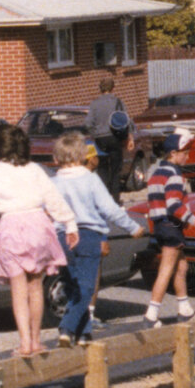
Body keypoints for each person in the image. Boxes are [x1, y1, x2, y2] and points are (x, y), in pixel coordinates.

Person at [0, 124, 77, 356]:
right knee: (35, 288)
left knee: (18, 291)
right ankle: (37, 341)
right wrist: (70, 224)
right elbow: (53, 198)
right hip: (39, 225)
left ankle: (25, 343)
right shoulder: (35, 169)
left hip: (12, 229)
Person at [52, 131, 139, 347]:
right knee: (87, 287)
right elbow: (109, 208)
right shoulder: (90, 179)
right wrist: (132, 226)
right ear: (82, 155)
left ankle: (84, 334)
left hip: (62, 237)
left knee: (74, 284)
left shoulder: (52, 182)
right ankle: (67, 326)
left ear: (57, 158)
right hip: (88, 235)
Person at [142, 141, 195, 328]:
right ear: (173, 153)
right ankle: (151, 314)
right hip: (171, 225)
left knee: (181, 267)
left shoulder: (156, 173)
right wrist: (193, 219)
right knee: (166, 270)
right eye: (185, 153)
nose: (187, 157)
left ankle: (185, 309)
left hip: (159, 224)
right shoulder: (174, 174)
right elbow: (174, 205)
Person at [85, 79, 127, 197]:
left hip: (100, 139)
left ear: (100, 89)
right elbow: (126, 120)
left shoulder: (94, 104)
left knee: (102, 168)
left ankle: (104, 197)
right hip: (115, 138)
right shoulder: (118, 102)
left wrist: (95, 134)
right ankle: (115, 199)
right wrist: (129, 137)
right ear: (113, 88)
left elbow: (88, 123)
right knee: (115, 170)